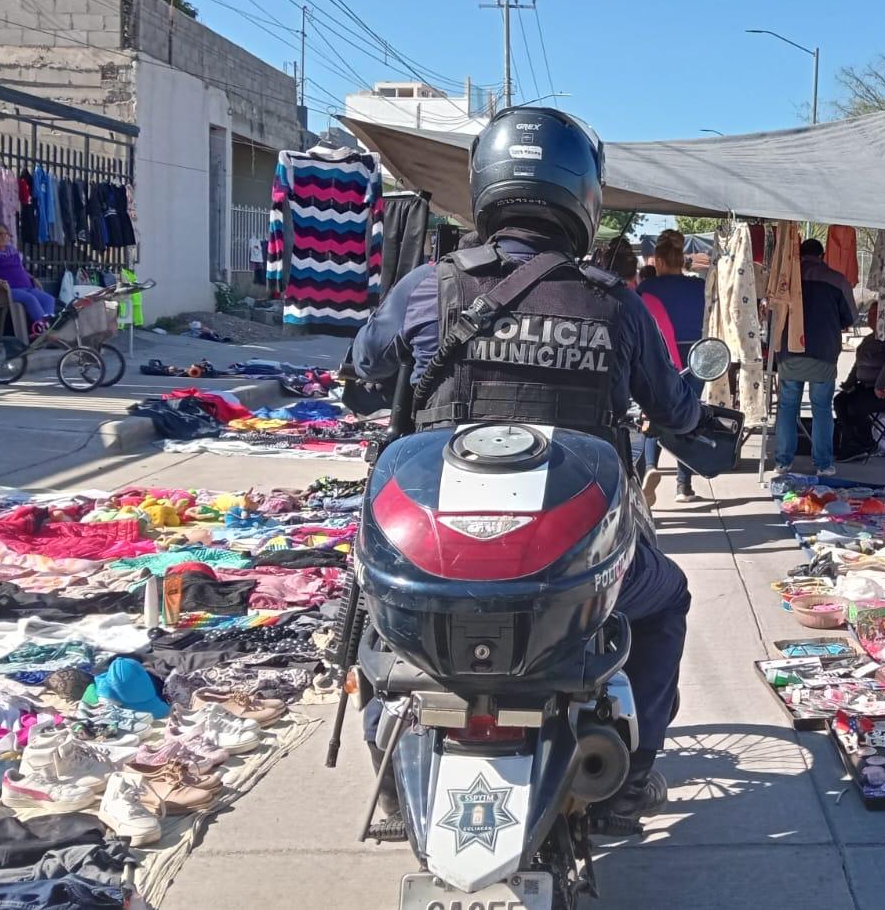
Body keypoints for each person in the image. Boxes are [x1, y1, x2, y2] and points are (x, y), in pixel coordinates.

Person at [351, 106, 699, 836]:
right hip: (566, 570)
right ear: (583, 194)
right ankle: (630, 780)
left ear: (486, 185)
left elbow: (365, 363)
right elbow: (672, 406)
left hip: (440, 559)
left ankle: (387, 782)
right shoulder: (615, 306)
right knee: (665, 600)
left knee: (372, 622)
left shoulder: (428, 288)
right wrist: (695, 417)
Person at [774, 238, 857, 476]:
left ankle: (783, 461)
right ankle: (823, 464)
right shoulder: (837, 280)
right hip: (824, 353)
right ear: (822, 255)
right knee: (822, 408)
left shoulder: (787, 280)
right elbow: (850, 316)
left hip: (790, 353)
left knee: (788, 407)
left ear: (799, 255)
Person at [638, 229, 707, 504]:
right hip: (695, 357)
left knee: (653, 412)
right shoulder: (699, 287)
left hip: (661, 357)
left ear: (659, 261)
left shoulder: (647, 289)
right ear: (681, 260)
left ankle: (650, 467)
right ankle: (683, 485)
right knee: (688, 416)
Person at [834, 303, 885, 460]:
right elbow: (858, 366)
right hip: (868, 388)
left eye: (876, 314)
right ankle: (852, 442)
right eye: (870, 314)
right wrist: (849, 384)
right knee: (840, 401)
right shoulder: (868, 340)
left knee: (857, 406)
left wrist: (880, 385)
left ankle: (867, 442)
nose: (871, 317)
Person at [0, 222, 54, 337]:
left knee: (48, 299)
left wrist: (31, 277)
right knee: (30, 299)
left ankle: (43, 329)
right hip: (7, 289)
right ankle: (46, 334)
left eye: (4, 234)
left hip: (26, 285)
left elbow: (20, 269)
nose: (1, 237)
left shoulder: (12, 250)